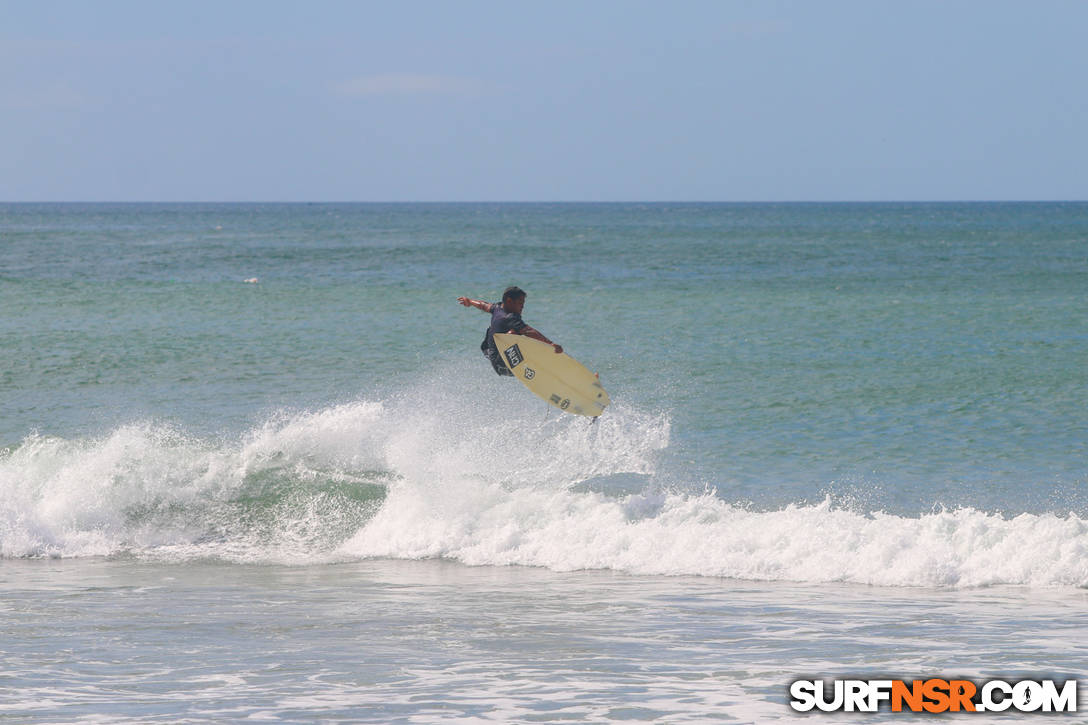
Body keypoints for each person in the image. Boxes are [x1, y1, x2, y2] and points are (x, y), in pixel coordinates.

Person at [457, 286, 562, 376]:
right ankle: (535, 369)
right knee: (514, 333)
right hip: (504, 365)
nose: (522, 306)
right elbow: (529, 331)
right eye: (520, 303)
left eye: (523, 303)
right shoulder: (510, 317)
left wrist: (470, 301)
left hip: (490, 354)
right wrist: (550, 343)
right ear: (509, 301)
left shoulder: (497, 308)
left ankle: (531, 364)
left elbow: (484, 305)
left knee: (509, 332)